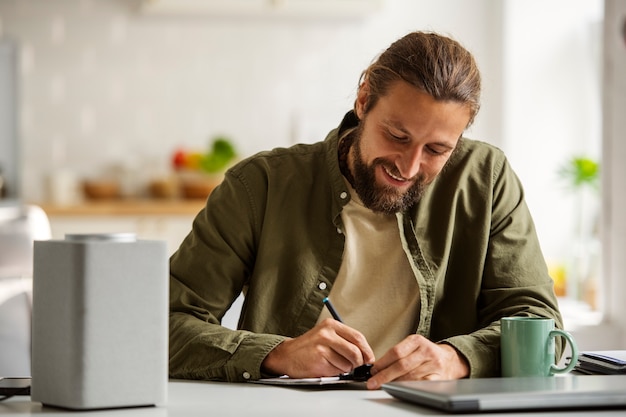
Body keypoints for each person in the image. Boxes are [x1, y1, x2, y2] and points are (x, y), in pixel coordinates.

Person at [169, 30, 564, 390]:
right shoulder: (261, 186)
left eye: (436, 150)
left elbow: (540, 326)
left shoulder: (486, 179)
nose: (408, 168)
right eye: (396, 136)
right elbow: (161, 325)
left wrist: (457, 358)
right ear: (363, 100)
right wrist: (276, 354)